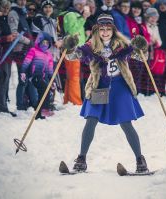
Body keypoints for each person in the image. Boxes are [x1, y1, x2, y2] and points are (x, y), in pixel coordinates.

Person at [63, 14, 149, 173]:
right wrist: (70, 46)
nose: (105, 32)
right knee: (91, 120)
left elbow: (142, 57)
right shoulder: (90, 46)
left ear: (113, 30)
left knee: (126, 122)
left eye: (108, 29)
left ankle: (140, 160)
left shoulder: (123, 44)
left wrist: (142, 47)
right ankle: (81, 159)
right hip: (99, 86)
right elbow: (71, 55)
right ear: (97, 30)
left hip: (120, 86)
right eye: (101, 29)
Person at [20, 31, 54, 120]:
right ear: (39, 42)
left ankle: (39, 114)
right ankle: (44, 109)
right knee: (44, 89)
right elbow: (26, 62)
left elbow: (50, 69)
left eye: (47, 43)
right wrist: (23, 71)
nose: (45, 44)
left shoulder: (49, 55)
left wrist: (52, 80)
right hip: (34, 75)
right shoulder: (33, 51)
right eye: (43, 42)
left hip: (43, 76)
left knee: (43, 92)